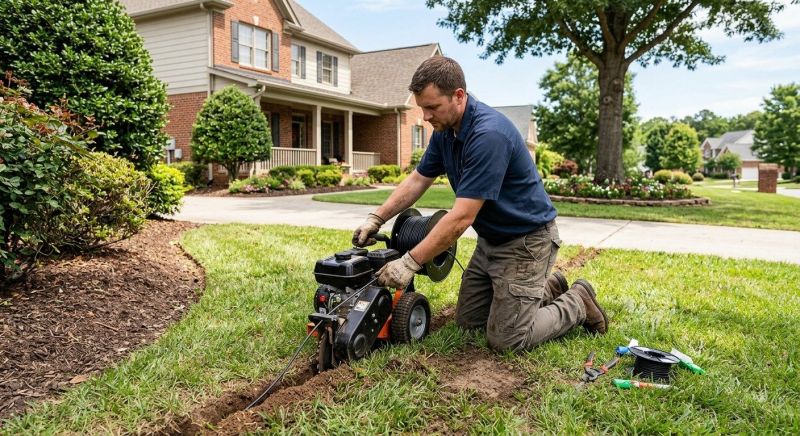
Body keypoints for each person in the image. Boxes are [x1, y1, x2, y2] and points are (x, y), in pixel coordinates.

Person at [352, 57, 608, 352]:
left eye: (432, 107)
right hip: (490, 242)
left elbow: (461, 218)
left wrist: (410, 262)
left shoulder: (488, 135)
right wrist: (376, 217)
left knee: (507, 340)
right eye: (423, 107)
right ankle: (549, 287)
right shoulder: (445, 132)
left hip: (527, 243)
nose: (425, 116)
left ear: (459, 96)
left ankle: (578, 301)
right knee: (469, 323)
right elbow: (419, 179)